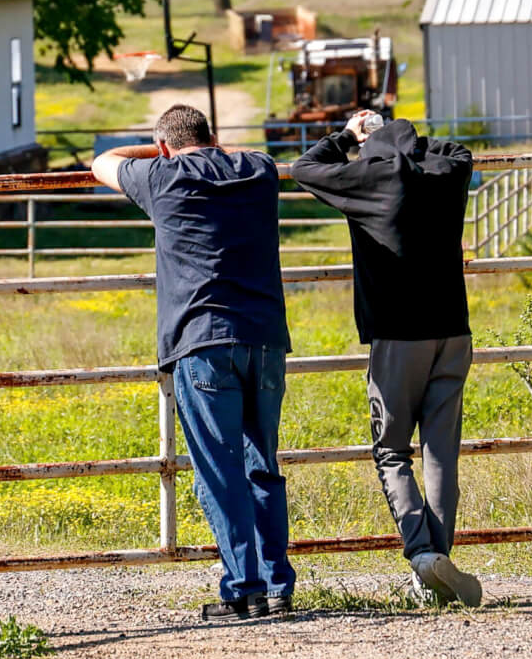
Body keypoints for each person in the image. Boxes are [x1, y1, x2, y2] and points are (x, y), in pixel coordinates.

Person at [91, 104, 294, 622]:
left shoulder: (161, 175)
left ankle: (243, 589)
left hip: (202, 341)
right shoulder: (259, 169)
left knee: (219, 470)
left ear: (163, 147)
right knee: (261, 465)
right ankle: (276, 586)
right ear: (215, 137)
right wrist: (214, 148)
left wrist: (156, 148)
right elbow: (242, 154)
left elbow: (102, 161)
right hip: (265, 339)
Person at [290, 112, 483, 608]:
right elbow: (459, 151)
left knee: (392, 451)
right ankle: (437, 567)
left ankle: (422, 555)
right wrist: (408, 138)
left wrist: (351, 136)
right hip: (452, 329)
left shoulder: (366, 175)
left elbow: (303, 168)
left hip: (398, 336)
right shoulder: (445, 171)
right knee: (441, 453)